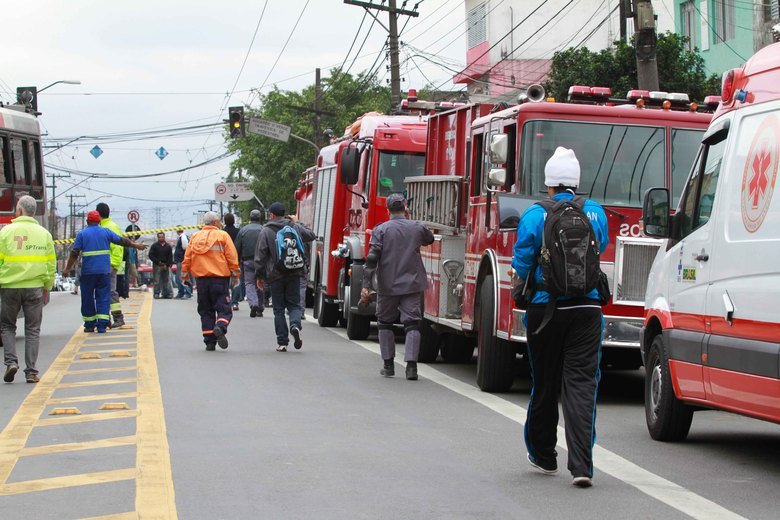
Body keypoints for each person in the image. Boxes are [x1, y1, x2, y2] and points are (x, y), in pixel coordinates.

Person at [511, 147, 608, 488]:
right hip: (587, 309)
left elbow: (522, 259)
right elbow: (600, 249)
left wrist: (523, 287)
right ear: (576, 183)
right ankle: (582, 465)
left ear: (548, 184)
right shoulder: (595, 213)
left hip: (545, 309)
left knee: (545, 382)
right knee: (582, 385)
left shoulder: (535, 215)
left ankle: (543, 454)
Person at [360, 194, 434, 380]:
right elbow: (430, 239)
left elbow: (371, 259)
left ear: (387, 210)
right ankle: (411, 368)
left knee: (385, 322)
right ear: (405, 207)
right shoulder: (416, 228)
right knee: (412, 323)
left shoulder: (381, 230)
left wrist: (366, 286)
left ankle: (388, 365)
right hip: (412, 284)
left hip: (388, 284)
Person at [0, 196, 56, 384]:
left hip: (10, 286)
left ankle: (11, 363)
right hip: (35, 287)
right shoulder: (44, 234)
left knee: (8, 326)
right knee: (33, 329)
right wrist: (47, 286)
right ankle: (31, 372)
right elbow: (51, 265)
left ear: (20, 211)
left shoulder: (6, 232)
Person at [64, 210, 147, 335]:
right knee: (103, 297)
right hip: (104, 271)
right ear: (99, 221)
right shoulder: (106, 232)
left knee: (87, 298)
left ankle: (90, 324)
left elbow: (74, 253)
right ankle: (102, 325)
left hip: (88, 272)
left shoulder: (82, 234)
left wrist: (67, 268)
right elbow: (122, 241)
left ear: (87, 221)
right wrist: (137, 246)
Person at [254, 202, 314, 352]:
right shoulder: (294, 227)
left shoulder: (266, 230)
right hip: (294, 272)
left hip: (275, 275)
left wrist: (259, 276)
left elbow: (260, 255)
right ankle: (295, 325)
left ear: (272, 215)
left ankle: (282, 342)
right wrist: (297, 222)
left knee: (278, 309)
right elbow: (311, 235)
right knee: (294, 305)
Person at [180, 211, 240, 351]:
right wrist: (236, 275)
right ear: (214, 222)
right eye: (219, 221)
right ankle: (220, 327)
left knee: (206, 310)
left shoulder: (195, 237)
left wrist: (184, 276)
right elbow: (232, 257)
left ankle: (209, 342)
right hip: (219, 279)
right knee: (224, 309)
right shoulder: (223, 235)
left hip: (201, 280)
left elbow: (187, 258)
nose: (220, 223)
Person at [96, 202, 126, 328]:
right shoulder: (103, 226)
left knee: (111, 291)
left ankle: (118, 317)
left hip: (109, 265)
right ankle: (105, 318)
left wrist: (113, 264)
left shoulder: (110, 227)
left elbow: (117, 248)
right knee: (102, 292)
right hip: (102, 265)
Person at [234, 209, 265, 317]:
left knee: (249, 283)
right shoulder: (263, 229)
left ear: (250, 217)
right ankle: (260, 307)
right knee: (260, 282)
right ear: (260, 217)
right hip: (261, 261)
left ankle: (253, 303)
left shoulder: (243, 230)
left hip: (247, 261)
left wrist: (237, 261)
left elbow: (237, 247)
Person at [222, 213, 243, 311]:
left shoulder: (221, 233)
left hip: (223, 261)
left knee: (224, 281)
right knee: (236, 281)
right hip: (236, 259)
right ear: (234, 221)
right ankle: (235, 302)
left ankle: (226, 300)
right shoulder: (239, 232)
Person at [148, 232, 174, 299]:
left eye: (162, 237)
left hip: (165, 265)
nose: (161, 238)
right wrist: (157, 262)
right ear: (158, 238)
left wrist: (167, 265)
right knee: (157, 280)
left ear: (164, 237)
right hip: (157, 265)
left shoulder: (168, 246)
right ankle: (156, 293)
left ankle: (166, 293)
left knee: (166, 280)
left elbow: (170, 257)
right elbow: (150, 255)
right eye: (159, 237)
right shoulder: (154, 246)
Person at [173, 226, 192, 299]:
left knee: (183, 278)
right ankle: (181, 292)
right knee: (180, 278)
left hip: (182, 260)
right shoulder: (182, 237)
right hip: (181, 260)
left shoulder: (183, 237)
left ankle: (187, 292)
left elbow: (185, 247)